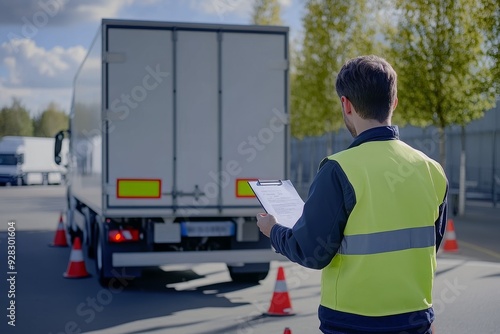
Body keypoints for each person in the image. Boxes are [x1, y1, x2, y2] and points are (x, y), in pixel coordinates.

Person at [256, 55, 448, 334]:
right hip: (415, 320)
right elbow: (430, 245)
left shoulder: (338, 169)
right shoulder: (432, 170)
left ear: (346, 104)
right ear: (393, 102)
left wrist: (274, 230)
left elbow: (311, 253)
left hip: (351, 322)